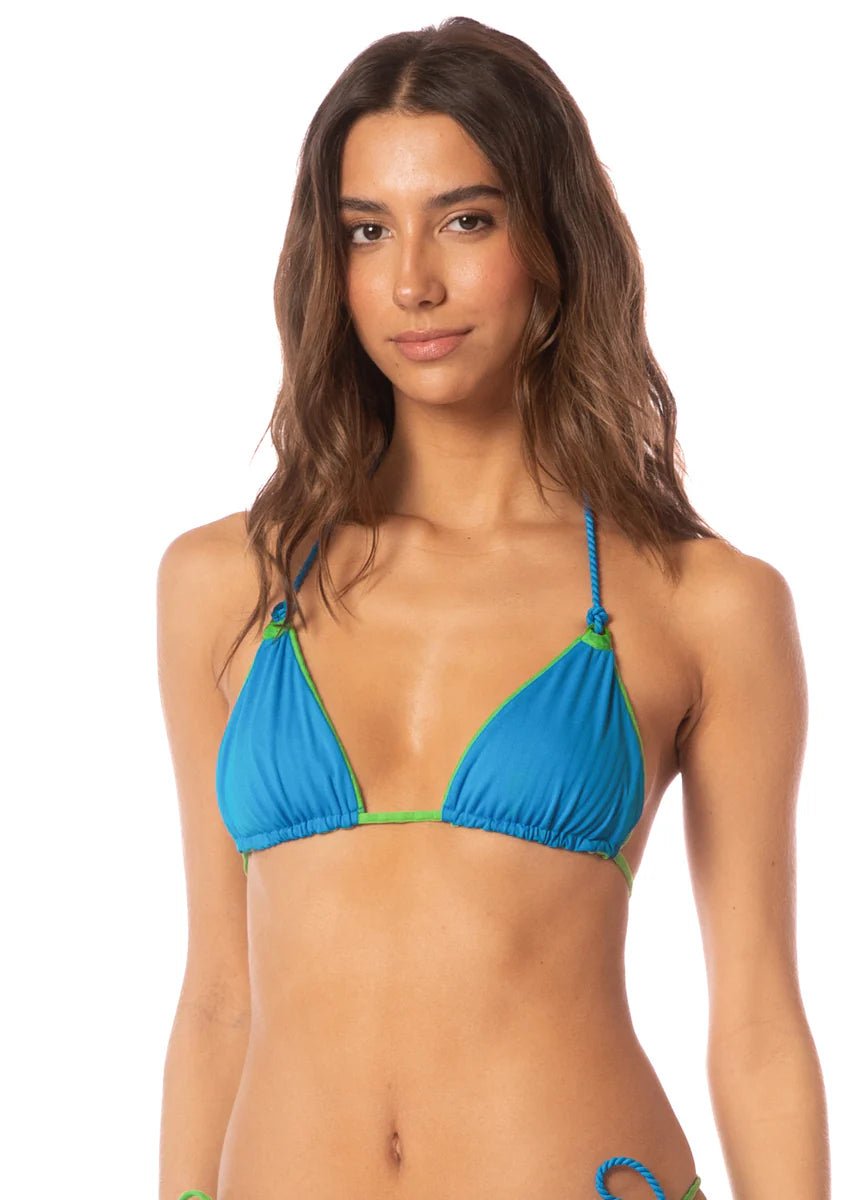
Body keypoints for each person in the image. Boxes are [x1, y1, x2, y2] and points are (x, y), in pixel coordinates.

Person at [157, 17, 828, 1200]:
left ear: (552, 240)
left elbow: (755, 1019)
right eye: (367, 230)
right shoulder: (227, 582)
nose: (411, 281)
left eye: (465, 220)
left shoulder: (702, 603)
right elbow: (217, 994)